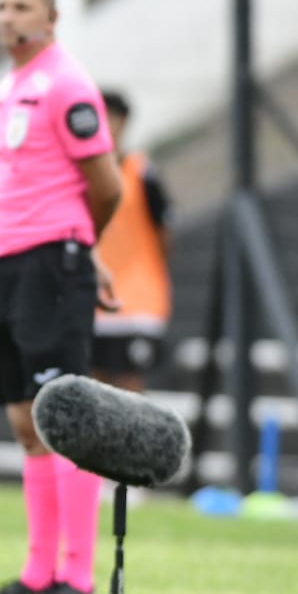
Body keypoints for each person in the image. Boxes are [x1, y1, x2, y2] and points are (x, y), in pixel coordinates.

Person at [0, 0, 122, 594]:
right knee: (22, 416)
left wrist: (80, 248)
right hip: (11, 263)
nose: (8, 17)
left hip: (49, 263)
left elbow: (107, 187)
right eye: (1, 6)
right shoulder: (12, 84)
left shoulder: (66, 85)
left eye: (22, 6)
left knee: (62, 412)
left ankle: (78, 573)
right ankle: (39, 571)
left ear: (52, 17)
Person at [91, 92, 172, 393]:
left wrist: (147, 270)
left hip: (136, 302)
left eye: (110, 116)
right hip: (92, 303)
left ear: (123, 122)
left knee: (131, 389)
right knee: (92, 389)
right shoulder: (81, 174)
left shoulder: (140, 172)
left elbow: (164, 230)